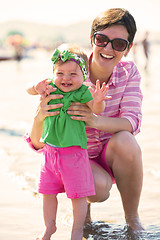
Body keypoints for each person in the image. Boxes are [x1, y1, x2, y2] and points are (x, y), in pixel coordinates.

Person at [26, 7, 144, 236]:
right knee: (98, 189)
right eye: (102, 40)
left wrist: (94, 120)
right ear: (92, 39)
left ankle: (133, 220)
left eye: (119, 44)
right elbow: (38, 142)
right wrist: (39, 115)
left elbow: (132, 121)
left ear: (128, 49)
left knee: (127, 142)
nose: (108, 48)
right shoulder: (68, 74)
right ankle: (83, 218)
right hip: (74, 157)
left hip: (108, 154)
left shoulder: (129, 72)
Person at [26, 44, 111, 240]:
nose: (66, 78)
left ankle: (77, 230)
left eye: (73, 74)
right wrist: (35, 87)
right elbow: (29, 88)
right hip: (50, 155)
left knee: (78, 195)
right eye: (60, 73)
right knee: (47, 193)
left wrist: (98, 100)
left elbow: (97, 109)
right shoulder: (50, 86)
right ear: (53, 73)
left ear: (84, 75)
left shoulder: (82, 92)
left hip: (74, 155)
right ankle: (49, 227)